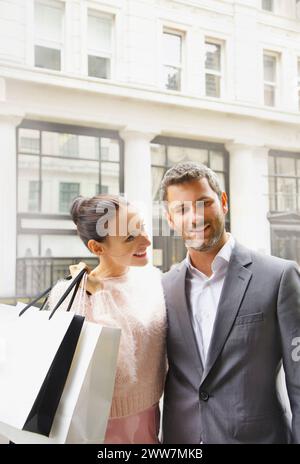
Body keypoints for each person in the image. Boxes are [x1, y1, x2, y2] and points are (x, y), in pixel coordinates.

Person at [160, 162, 300, 444]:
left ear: (223, 203)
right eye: (182, 209)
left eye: (204, 203)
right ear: (170, 219)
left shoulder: (279, 276)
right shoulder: (164, 286)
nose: (195, 217)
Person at [48, 194, 167, 444]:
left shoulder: (152, 278)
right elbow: (119, 376)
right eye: (129, 237)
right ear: (97, 248)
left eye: (142, 227)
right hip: (101, 426)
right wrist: (100, 295)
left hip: (153, 415)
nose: (146, 240)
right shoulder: (76, 294)